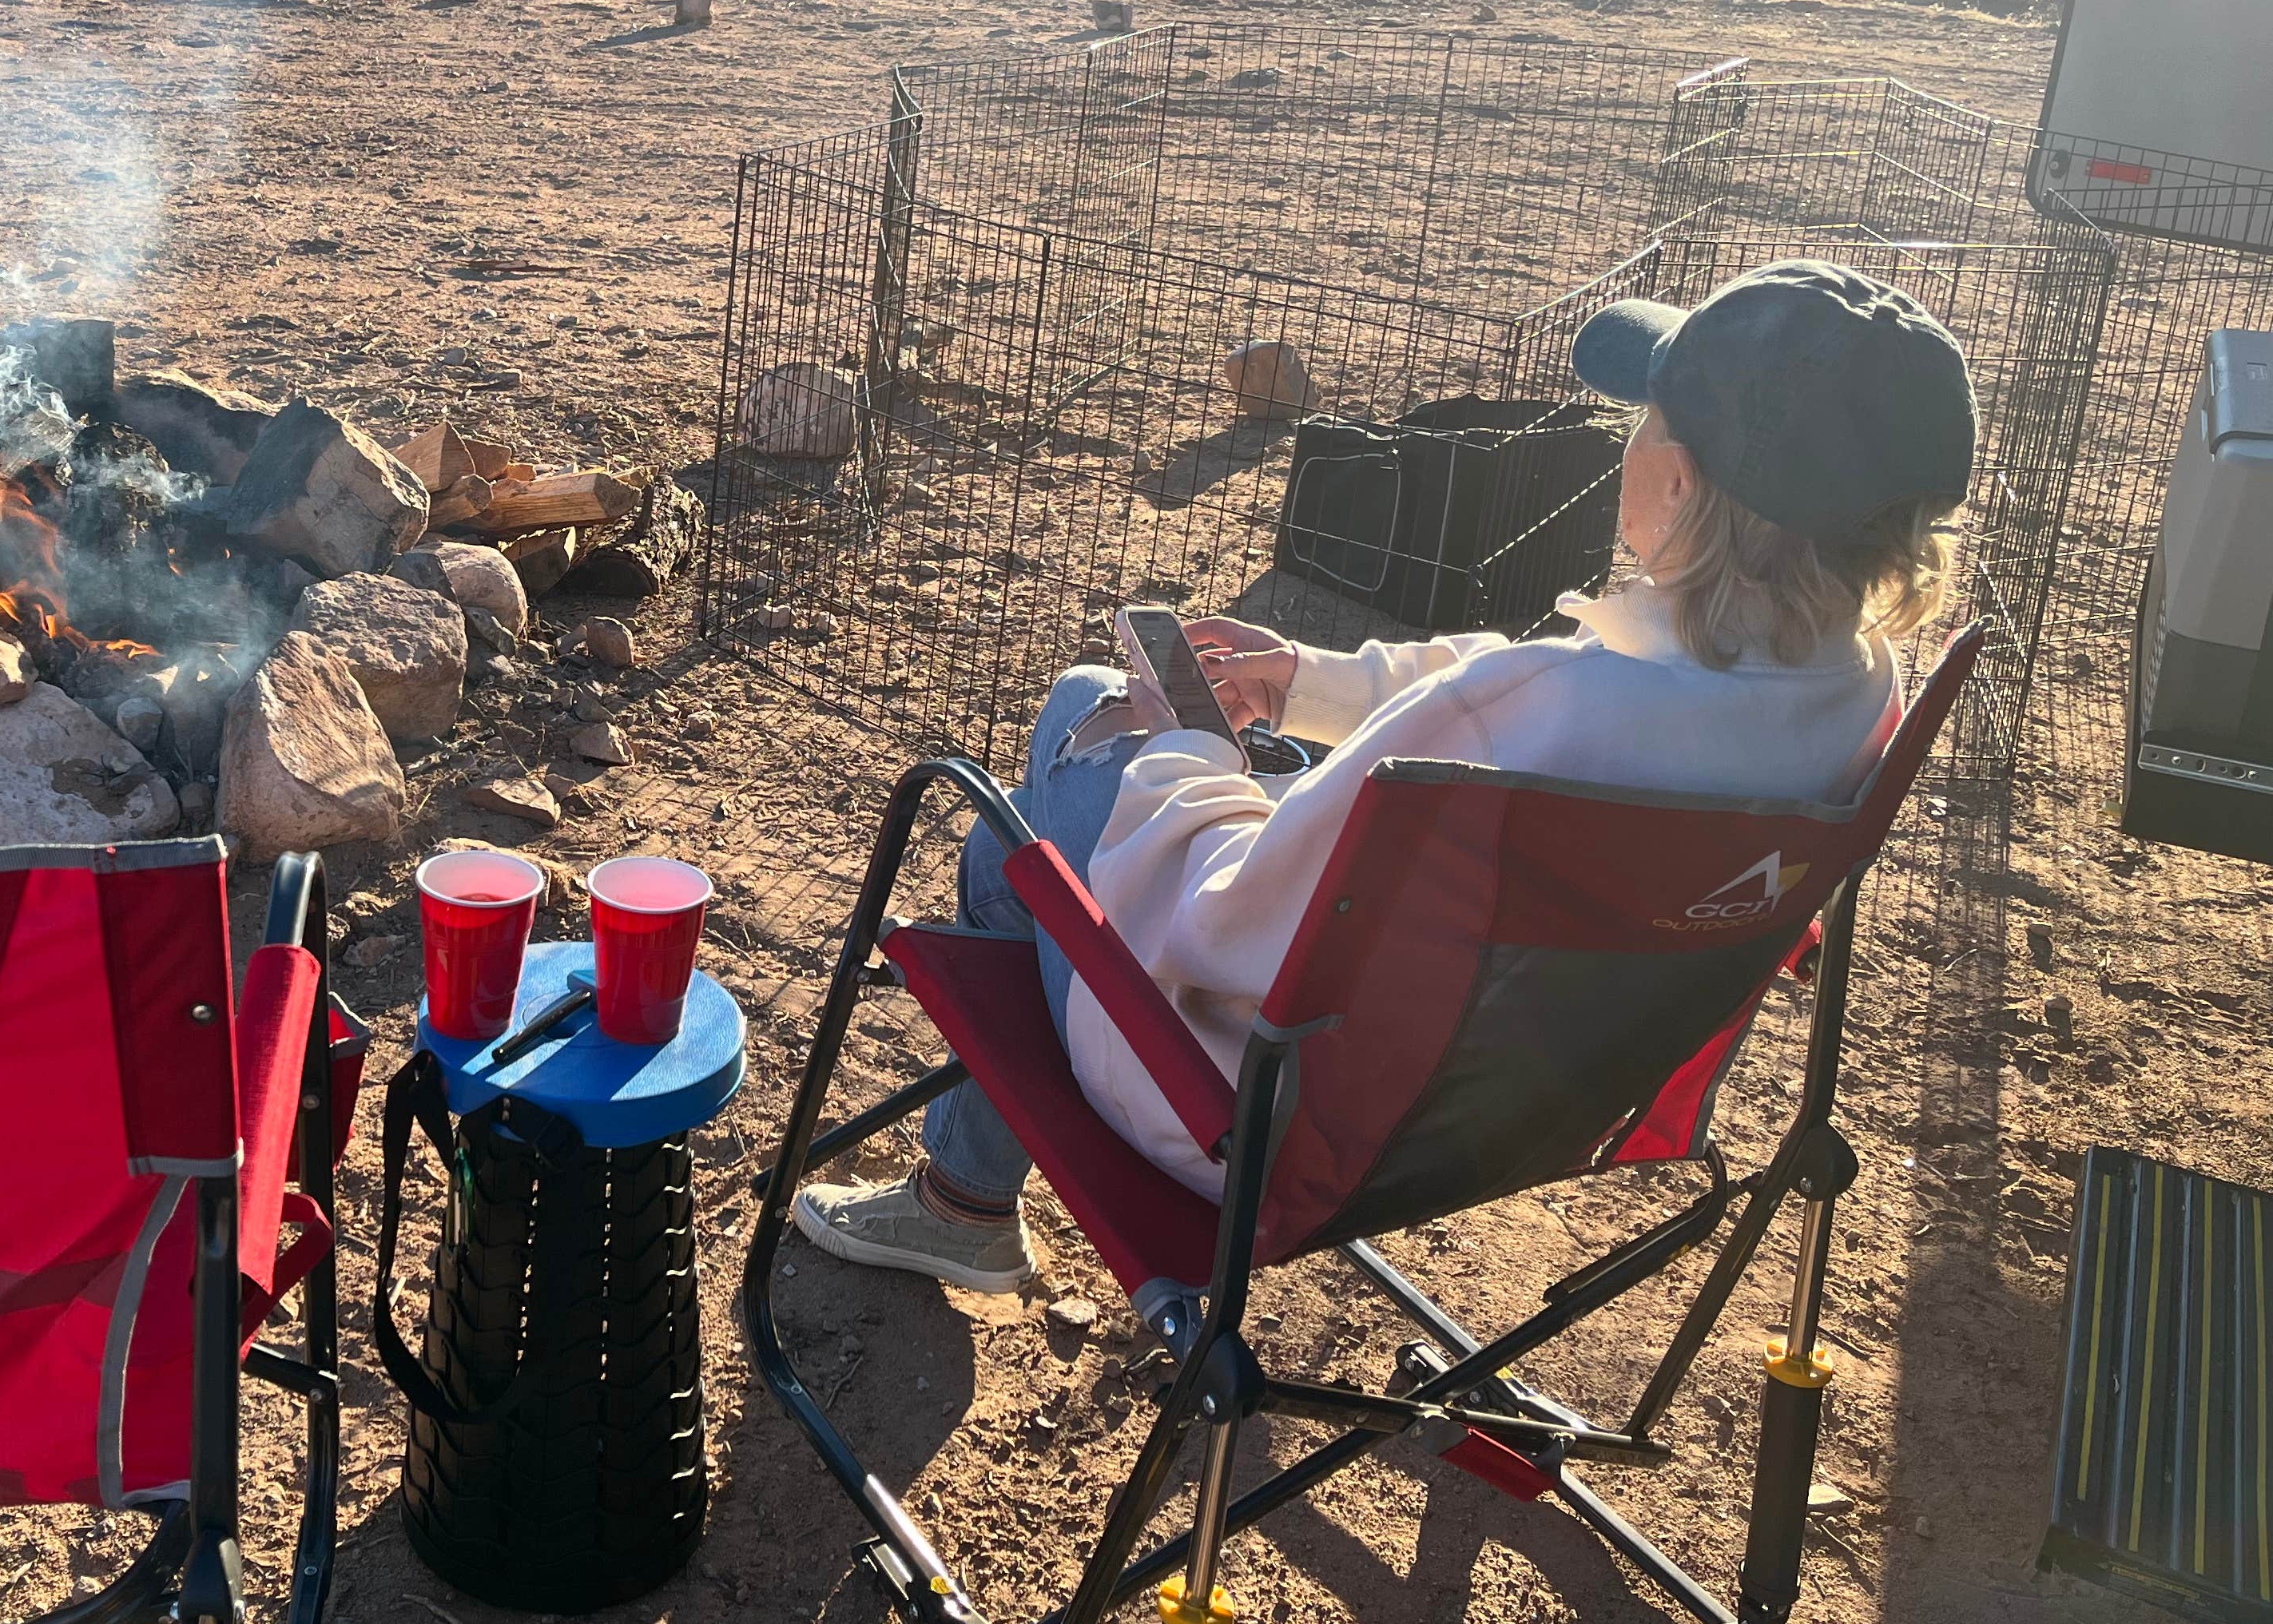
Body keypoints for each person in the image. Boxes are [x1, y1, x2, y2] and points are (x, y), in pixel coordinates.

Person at [796, 258, 1977, 1292]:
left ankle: (962, 1201)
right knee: (1086, 808)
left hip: (1262, 1129)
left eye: (1642, 418)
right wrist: (1306, 680)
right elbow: (1529, 675)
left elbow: (1211, 924)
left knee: (1059, 748)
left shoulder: (1515, 728)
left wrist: (1183, 741)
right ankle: (961, 1198)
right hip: (1516, 1115)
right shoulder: (1858, 695)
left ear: (1676, 485)